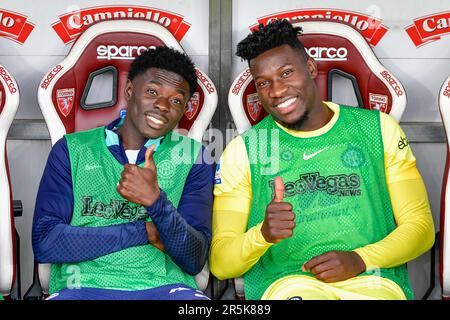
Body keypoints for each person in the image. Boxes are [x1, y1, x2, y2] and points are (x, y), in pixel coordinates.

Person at [210, 20, 435, 300]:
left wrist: (360, 259)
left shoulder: (379, 129)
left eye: (286, 73)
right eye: (264, 83)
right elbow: (221, 264)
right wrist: (262, 235)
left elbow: (421, 229)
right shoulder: (243, 151)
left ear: (311, 68)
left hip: (373, 283)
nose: (277, 91)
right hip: (287, 286)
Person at [32, 46, 214, 300]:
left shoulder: (195, 157)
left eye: (176, 100)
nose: (162, 106)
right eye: (152, 92)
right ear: (130, 90)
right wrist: (146, 231)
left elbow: (194, 258)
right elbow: (47, 242)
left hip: (166, 289)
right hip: (82, 288)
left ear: (184, 108)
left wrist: (155, 201)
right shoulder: (72, 149)